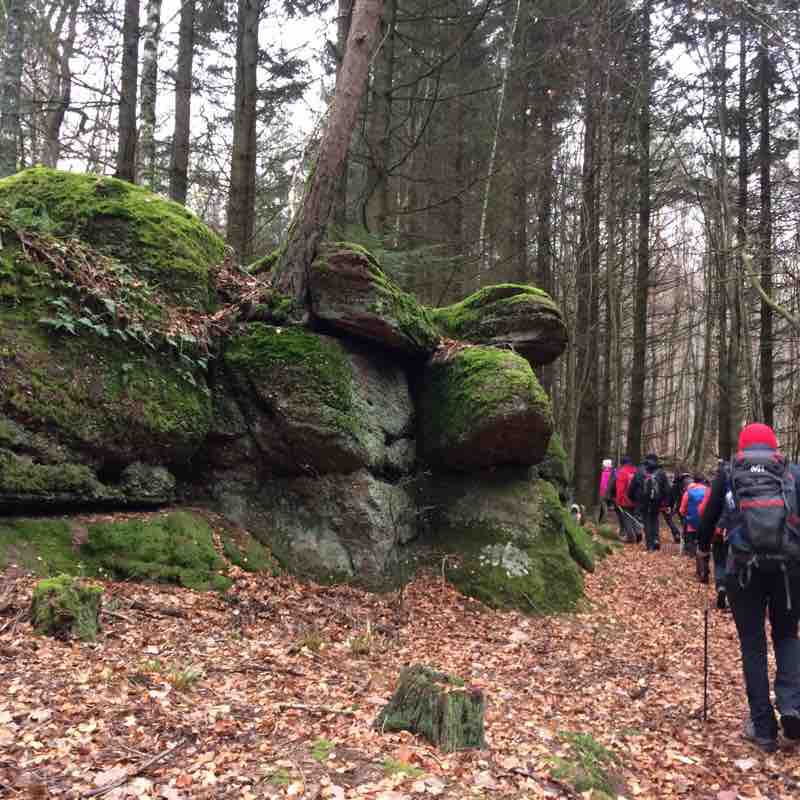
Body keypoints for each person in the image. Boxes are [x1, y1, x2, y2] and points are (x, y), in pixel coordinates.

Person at [697, 423, 800, 752]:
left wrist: (702, 550)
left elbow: (707, 518)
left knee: (752, 644)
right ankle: (792, 706)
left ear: (741, 447)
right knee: (786, 635)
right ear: (775, 447)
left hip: (743, 571)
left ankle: (763, 728)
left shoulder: (729, 474)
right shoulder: (791, 472)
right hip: (789, 570)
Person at [628, 453, 671, 552]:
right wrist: (665, 502)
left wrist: (633, 499)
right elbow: (667, 490)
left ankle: (650, 545)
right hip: (656, 501)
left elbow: (632, 487)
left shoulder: (639, 471)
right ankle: (656, 540)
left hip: (643, 501)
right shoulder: (661, 472)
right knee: (655, 520)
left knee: (646, 521)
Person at [608, 456, 639, 543]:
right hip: (636, 499)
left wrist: (618, 501)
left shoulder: (622, 472)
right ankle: (638, 533)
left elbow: (620, 489)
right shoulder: (636, 471)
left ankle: (630, 537)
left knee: (626, 518)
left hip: (625, 500)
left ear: (622, 463)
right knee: (634, 516)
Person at [679, 473, 710, 558]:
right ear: (703, 481)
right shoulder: (708, 491)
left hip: (691, 523)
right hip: (705, 522)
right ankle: (702, 557)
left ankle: (691, 555)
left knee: (691, 540)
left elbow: (682, 510)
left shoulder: (688, 492)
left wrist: (686, 516)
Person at [598, 459, 614, 523]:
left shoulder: (604, 473)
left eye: (603, 465)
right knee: (603, 507)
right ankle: (601, 520)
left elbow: (603, 484)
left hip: (603, 493)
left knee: (604, 508)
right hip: (608, 493)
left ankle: (602, 521)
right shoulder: (611, 473)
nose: (602, 466)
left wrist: (601, 493)